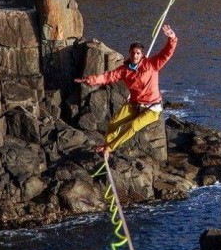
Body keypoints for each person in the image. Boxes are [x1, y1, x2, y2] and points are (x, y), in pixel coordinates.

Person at [75, 24, 177, 158]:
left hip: (152, 107)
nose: (135, 55)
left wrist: (172, 38)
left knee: (133, 126)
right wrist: (92, 80)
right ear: (129, 53)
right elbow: (108, 77)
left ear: (142, 54)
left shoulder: (152, 64)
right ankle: (107, 146)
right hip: (135, 103)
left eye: (138, 53)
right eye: (133, 52)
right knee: (113, 124)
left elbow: (167, 53)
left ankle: (109, 148)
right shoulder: (124, 70)